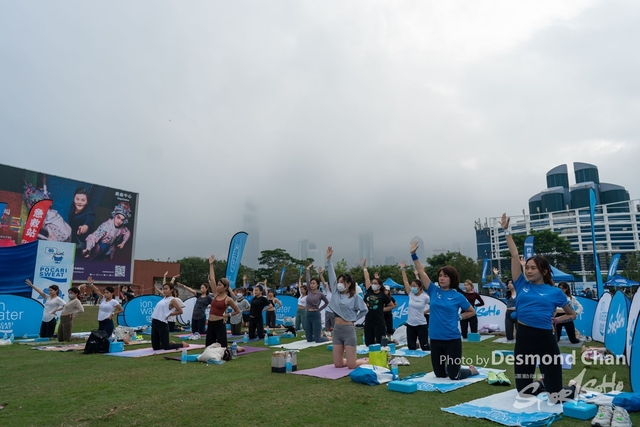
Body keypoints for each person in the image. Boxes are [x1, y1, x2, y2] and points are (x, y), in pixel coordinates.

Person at [500, 213, 578, 403]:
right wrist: (507, 231)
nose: (528, 270)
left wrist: (555, 320)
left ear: (543, 271)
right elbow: (513, 255)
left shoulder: (555, 292)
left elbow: (572, 314)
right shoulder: (521, 285)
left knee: (555, 397)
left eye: (533, 268)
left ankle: (573, 387)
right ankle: (542, 384)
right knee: (524, 392)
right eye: (527, 267)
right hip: (524, 338)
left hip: (545, 340)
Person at [410, 241, 479, 380]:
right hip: (435, 339)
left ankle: (471, 371)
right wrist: (413, 255)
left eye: (445, 276)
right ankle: (453, 368)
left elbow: (472, 311)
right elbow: (422, 272)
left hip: (452, 340)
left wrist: (460, 317)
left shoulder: (458, 296)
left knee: (454, 375)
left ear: (452, 279)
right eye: (440, 275)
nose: (442, 278)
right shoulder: (433, 290)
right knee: (440, 375)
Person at [326, 246, 369, 369]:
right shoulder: (336, 293)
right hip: (337, 330)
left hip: (348, 330)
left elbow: (364, 310)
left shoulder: (355, 297)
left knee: (352, 365)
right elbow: (331, 276)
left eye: (342, 282)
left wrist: (353, 318)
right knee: (338, 364)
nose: (339, 284)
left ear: (349, 284)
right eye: (338, 282)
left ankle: (366, 361)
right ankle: (350, 359)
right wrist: (329, 261)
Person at [205, 255, 240, 347]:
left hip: (219, 324)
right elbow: (212, 279)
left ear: (225, 287)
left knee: (222, 347)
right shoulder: (216, 294)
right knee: (209, 346)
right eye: (217, 285)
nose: (217, 286)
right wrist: (211, 265)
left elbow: (237, 310)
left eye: (220, 285)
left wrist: (227, 315)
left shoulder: (228, 299)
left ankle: (237, 348)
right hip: (210, 323)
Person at [400, 262, 430, 351]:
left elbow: (433, 305)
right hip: (410, 324)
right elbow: (405, 281)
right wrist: (403, 269)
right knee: (411, 347)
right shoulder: (411, 294)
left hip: (421, 324)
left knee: (425, 347)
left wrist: (425, 312)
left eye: (414, 286)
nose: (412, 287)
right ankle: (415, 345)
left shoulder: (425, 297)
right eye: (412, 286)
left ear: (420, 287)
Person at [151, 282, 189, 351]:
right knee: (155, 347)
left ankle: (182, 344)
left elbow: (180, 311)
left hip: (162, 323)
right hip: (155, 322)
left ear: (171, 290)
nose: (164, 290)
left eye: (166, 289)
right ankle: (171, 343)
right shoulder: (164, 298)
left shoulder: (173, 300)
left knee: (166, 347)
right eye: (163, 289)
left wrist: (170, 314)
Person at [362, 259, 392, 346]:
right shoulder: (370, 291)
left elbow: (391, 305)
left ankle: (392, 342)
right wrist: (364, 267)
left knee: (380, 343)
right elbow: (366, 278)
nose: (373, 285)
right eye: (372, 283)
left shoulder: (383, 295)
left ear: (379, 285)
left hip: (379, 321)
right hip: (368, 321)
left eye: (375, 283)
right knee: (368, 343)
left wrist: (382, 309)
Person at [305, 265, 329, 343]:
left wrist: (319, 309)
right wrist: (307, 269)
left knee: (317, 340)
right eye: (311, 283)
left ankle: (328, 338)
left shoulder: (320, 294)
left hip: (316, 315)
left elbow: (326, 302)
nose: (312, 285)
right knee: (309, 339)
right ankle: (318, 336)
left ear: (317, 285)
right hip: (308, 315)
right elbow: (307, 279)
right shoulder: (309, 291)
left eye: (314, 283)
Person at [67, 187, 95, 252]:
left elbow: (89, 220)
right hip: (72, 234)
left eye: (83, 200)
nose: (79, 202)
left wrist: (85, 227)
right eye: (77, 199)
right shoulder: (73, 205)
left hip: (80, 240)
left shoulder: (89, 213)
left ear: (87, 202)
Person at [494, 268, 517, 342]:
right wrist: (496, 274)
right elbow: (500, 283)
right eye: (508, 283)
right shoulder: (507, 292)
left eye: (511, 283)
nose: (510, 284)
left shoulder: (519, 292)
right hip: (509, 313)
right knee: (509, 337)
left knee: (520, 335)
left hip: (518, 313)